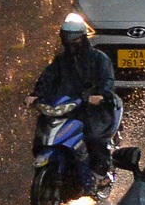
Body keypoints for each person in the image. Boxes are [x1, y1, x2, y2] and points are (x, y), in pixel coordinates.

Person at [28, 14, 118, 188]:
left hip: (93, 109)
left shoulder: (100, 59)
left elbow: (107, 81)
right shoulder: (61, 61)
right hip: (66, 106)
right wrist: (35, 95)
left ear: (83, 38)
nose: (71, 43)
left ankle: (100, 175)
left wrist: (100, 96)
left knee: (93, 137)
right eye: (67, 39)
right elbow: (47, 79)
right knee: (42, 132)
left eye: (74, 39)